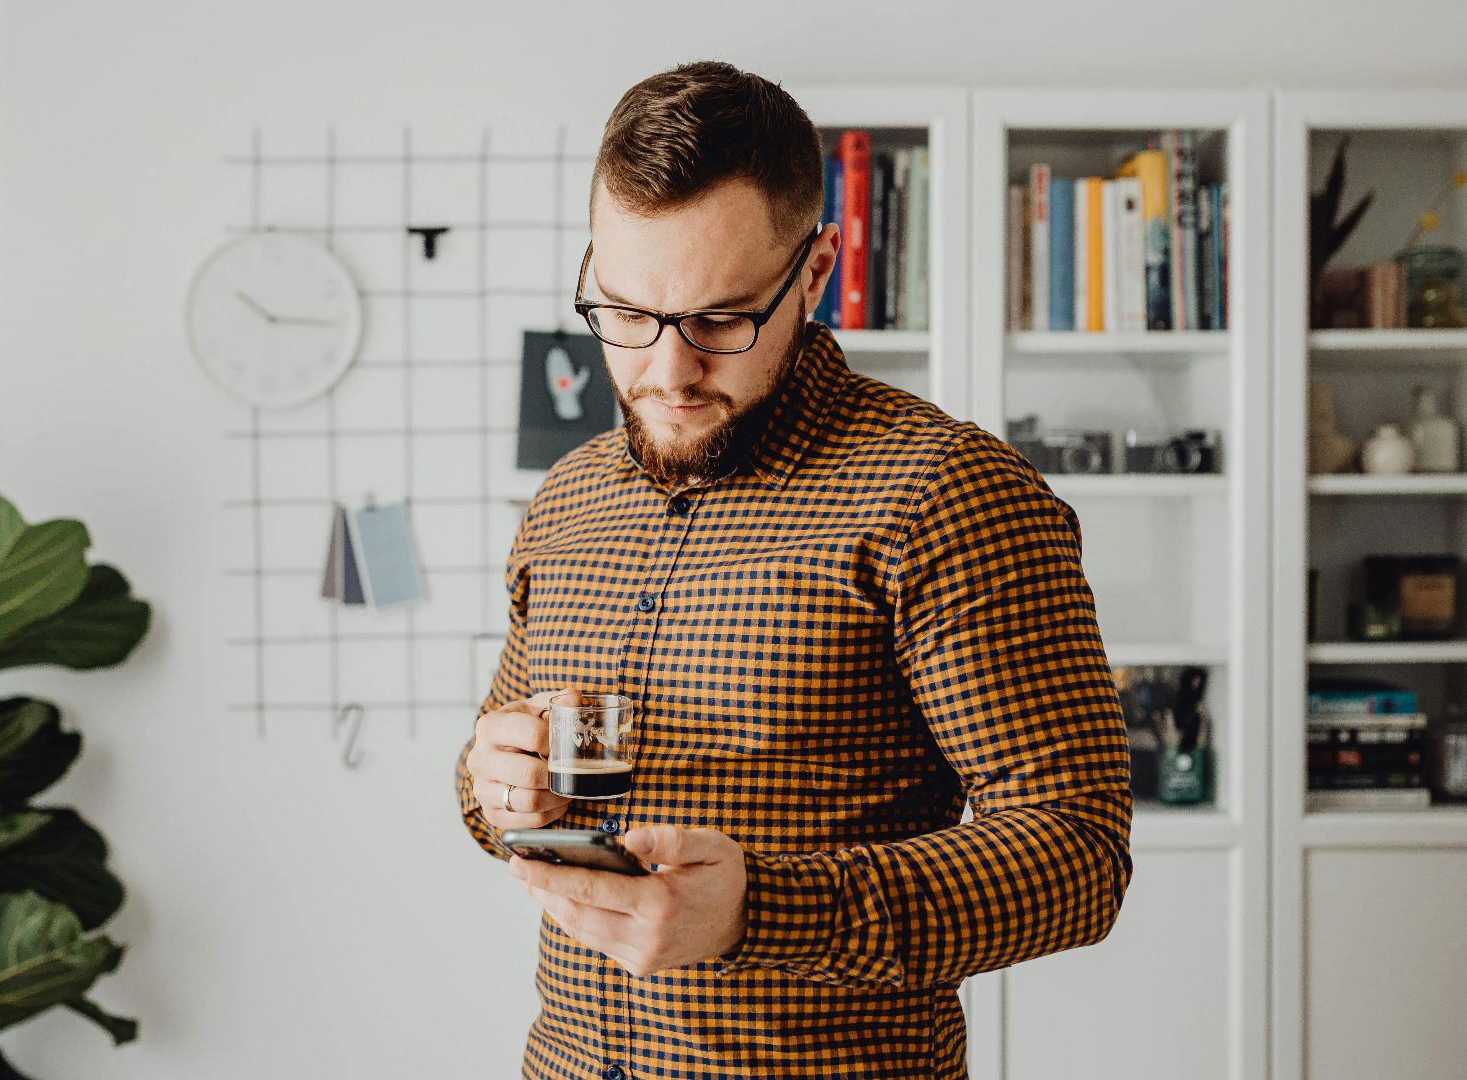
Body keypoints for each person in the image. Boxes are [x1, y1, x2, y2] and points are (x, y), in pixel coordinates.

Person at [453, 60, 1133, 1079]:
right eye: (627, 313)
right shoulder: (568, 498)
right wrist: (492, 786)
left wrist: (762, 909)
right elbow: (493, 791)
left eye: (722, 320)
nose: (667, 371)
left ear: (815, 274)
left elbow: (1078, 855)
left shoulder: (948, 492)